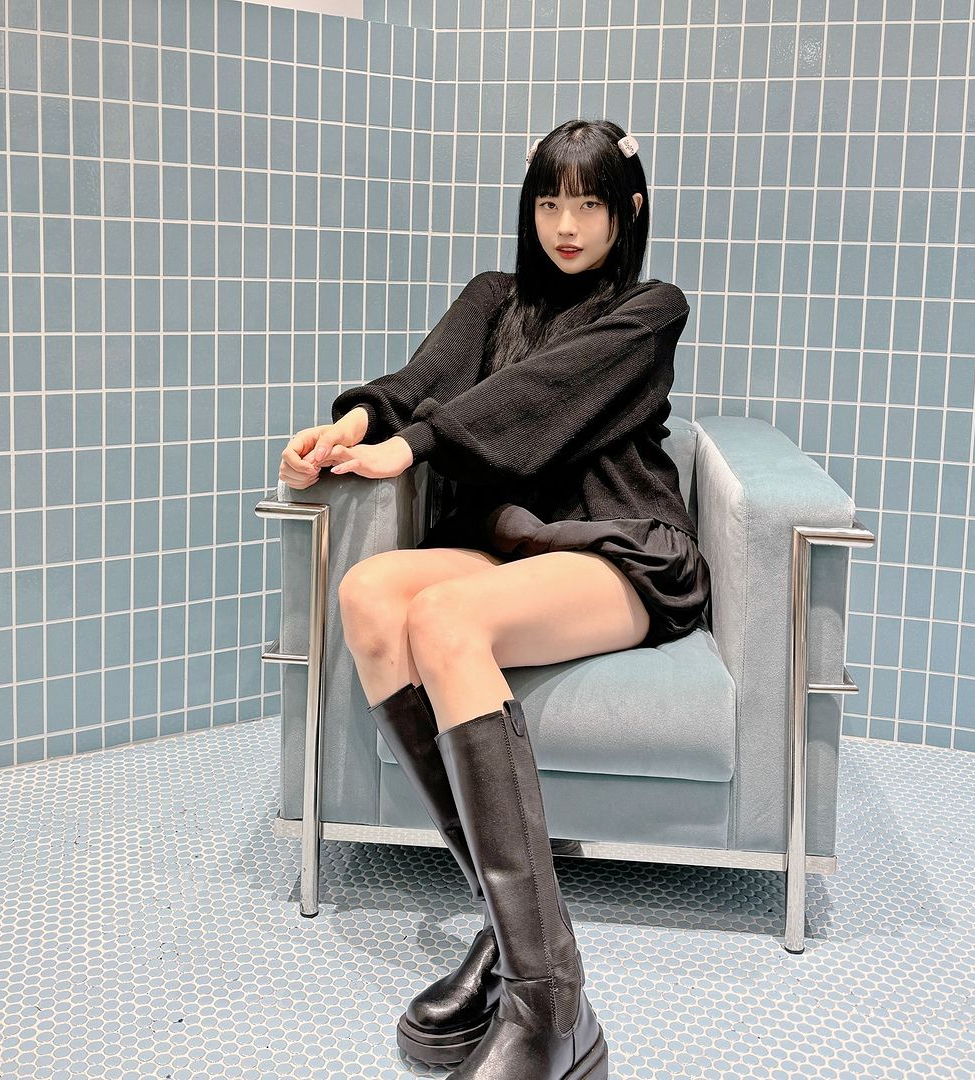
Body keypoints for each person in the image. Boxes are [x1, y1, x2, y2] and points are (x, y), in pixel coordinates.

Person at [279, 118, 710, 1080]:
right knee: (371, 597)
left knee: (444, 618)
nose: (566, 225)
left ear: (628, 210)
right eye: (548, 203)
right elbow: (417, 384)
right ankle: (517, 942)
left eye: (588, 204)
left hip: (618, 544)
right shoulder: (492, 298)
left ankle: (552, 1010)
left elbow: (543, 396)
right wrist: (349, 428)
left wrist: (417, 446)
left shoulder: (650, 310)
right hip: (507, 543)